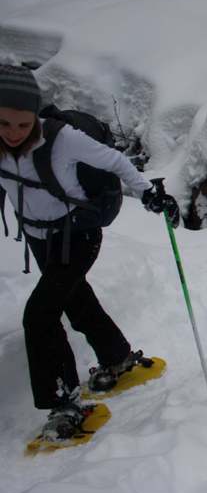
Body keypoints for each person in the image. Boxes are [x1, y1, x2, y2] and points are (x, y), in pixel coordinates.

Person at [0, 65, 180, 440]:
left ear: (35, 116)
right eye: (4, 123)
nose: (13, 133)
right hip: (39, 237)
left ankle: (64, 403)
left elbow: (114, 161)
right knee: (73, 297)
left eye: (23, 124)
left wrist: (149, 193)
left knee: (39, 316)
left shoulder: (61, 138)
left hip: (78, 235)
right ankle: (116, 358)